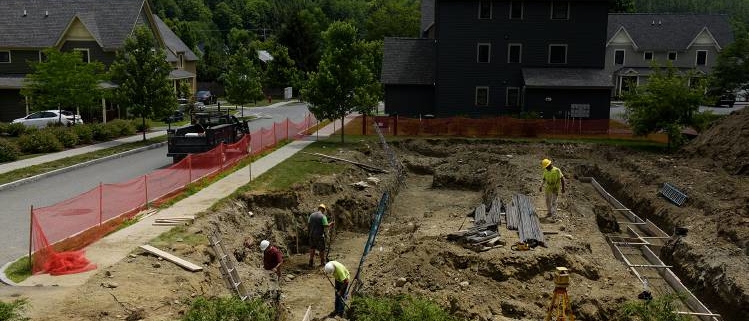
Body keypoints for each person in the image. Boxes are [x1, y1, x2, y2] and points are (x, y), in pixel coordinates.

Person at [308, 204, 334, 268]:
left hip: (312, 235)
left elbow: (308, 224)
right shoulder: (323, 216)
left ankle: (310, 262)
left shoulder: (311, 215)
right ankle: (322, 262)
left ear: (318, 208)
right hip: (319, 236)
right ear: (323, 210)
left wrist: (309, 232)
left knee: (312, 248)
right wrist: (331, 223)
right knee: (321, 249)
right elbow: (326, 225)